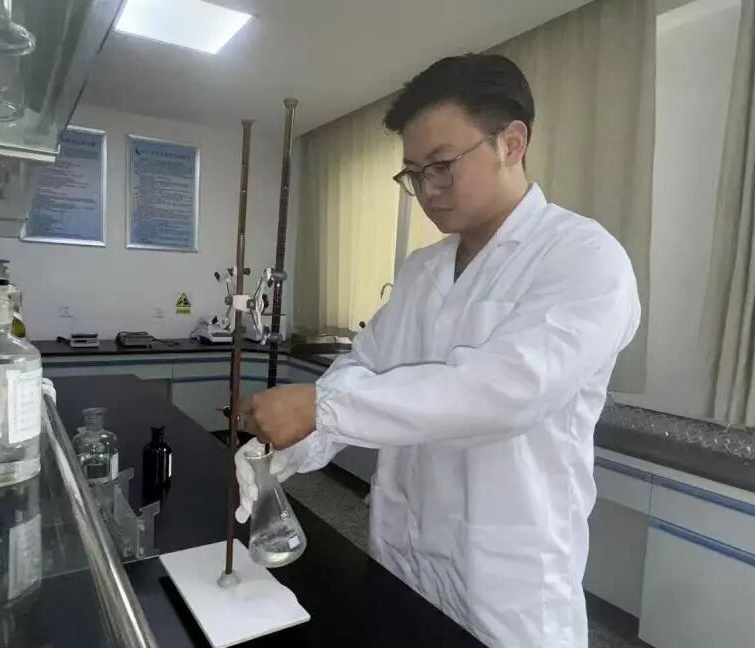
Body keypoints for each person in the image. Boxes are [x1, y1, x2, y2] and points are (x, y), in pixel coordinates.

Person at [234, 53, 640, 648]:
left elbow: (506, 391)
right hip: (402, 556)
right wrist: (291, 449)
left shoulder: (583, 257)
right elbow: (364, 368)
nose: (427, 190)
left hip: (507, 582)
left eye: (442, 167)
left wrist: (322, 409)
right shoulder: (423, 268)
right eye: (414, 174)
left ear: (511, 143)